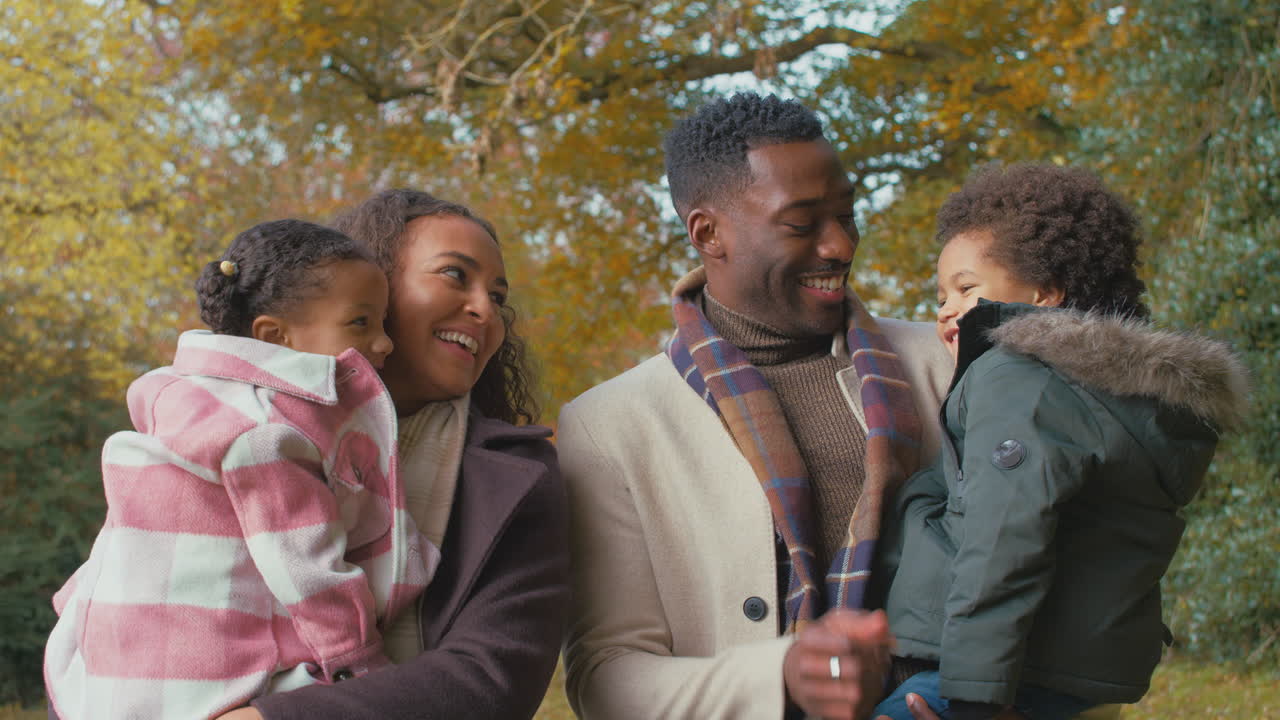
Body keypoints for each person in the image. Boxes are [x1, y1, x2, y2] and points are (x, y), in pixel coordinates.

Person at [558, 92, 953, 720]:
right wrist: (779, 677)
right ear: (708, 233)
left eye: (847, 215)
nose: (840, 246)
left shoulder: (944, 365)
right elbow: (606, 676)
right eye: (802, 224)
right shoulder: (609, 427)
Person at [872, 164, 1249, 720]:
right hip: (1076, 682)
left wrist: (976, 699)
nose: (945, 309)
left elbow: (1003, 537)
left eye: (966, 288)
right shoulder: (1114, 399)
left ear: (1044, 293)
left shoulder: (1017, 376)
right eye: (940, 294)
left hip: (994, 680)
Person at [45, 219, 438, 720]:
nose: (384, 343)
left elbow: (120, 535)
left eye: (384, 323)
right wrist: (355, 664)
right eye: (361, 323)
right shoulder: (263, 431)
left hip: (116, 663)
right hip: (201, 675)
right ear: (275, 336)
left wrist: (79, 612)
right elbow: (305, 564)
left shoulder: (182, 398)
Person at [226, 190, 570, 720]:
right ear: (373, 286)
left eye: (497, 296)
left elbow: (490, 677)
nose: (484, 309)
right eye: (456, 275)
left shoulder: (518, 477)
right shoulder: (231, 427)